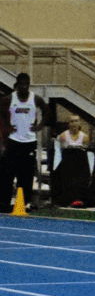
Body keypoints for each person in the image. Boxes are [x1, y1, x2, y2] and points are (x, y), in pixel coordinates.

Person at [0, 73, 48, 211]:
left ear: (29, 84)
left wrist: (40, 126)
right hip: (13, 141)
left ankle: (24, 203)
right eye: (21, 84)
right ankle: (3, 203)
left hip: (29, 141)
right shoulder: (10, 98)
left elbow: (47, 111)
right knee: (7, 174)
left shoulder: (35, 98)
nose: (24, 86)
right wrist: (6, 127)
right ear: (17, 84)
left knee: (26, 175)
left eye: (26, 84)